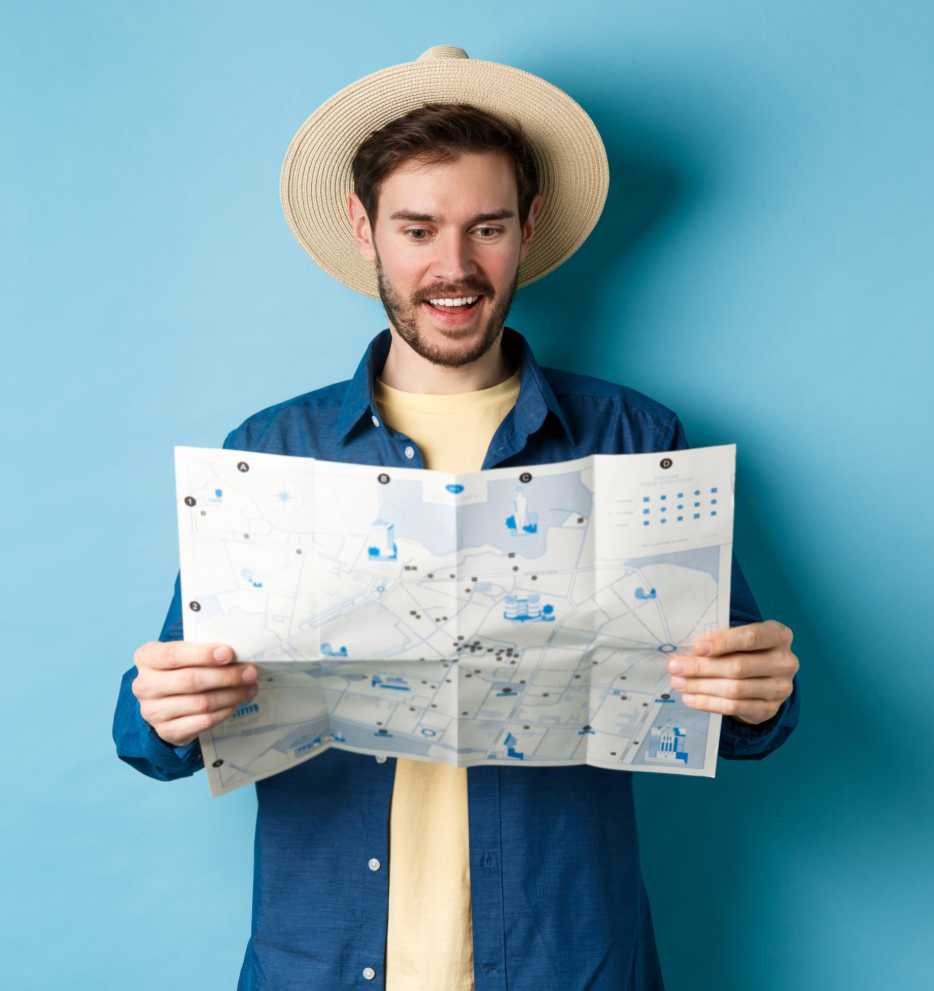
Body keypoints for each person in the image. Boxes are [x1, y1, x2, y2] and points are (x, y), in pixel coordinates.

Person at [110, 46, 800, 990]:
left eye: (486, 227)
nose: (453, 267)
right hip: (323, 961)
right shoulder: (269, 453)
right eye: (418, 227)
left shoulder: (637, 439)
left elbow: (752, 714)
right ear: (365, 229)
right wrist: (164, 708)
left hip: (570, 961)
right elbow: (148, 738)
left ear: (529, 228)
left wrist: (760, 689)